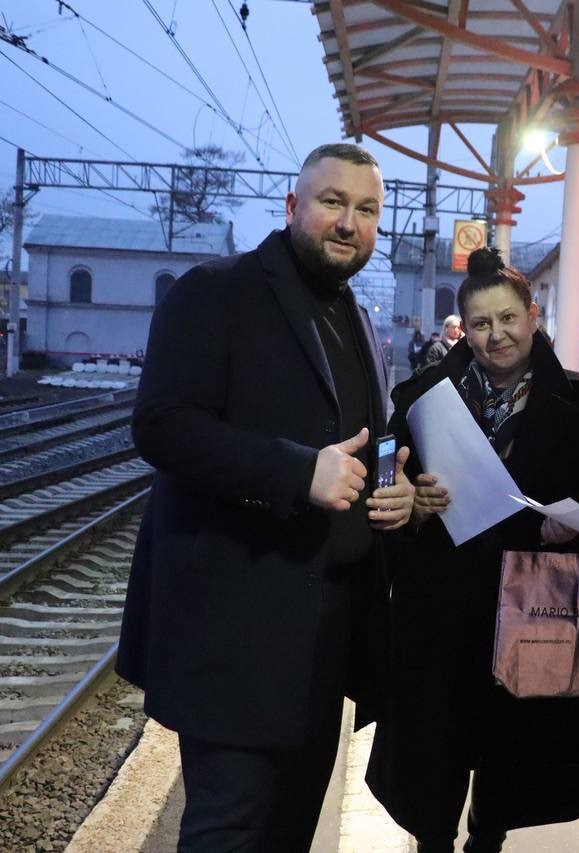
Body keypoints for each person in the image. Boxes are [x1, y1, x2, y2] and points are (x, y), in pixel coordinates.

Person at [117, 143, 416, 851]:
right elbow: (162, 425)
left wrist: (394, 486)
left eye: (367, 209)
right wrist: (295, 471)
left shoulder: (353, 315)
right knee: (231, 828)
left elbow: (360, 437)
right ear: (291, 207)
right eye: (333, 202)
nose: (349, 222)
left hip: (326, 630)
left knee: (289, 825)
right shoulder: (215, 291)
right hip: (236, 625)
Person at [367, 247, 579, 853]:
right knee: (432, 755)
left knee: (511, 752)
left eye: (509, 318)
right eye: (482, 323)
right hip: (439, 604)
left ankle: (487, 838)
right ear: (464, 329)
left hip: (532, 607)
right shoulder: (424, 392)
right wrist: (407, 499)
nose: (497, 335)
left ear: (533, 315)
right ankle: (433, 840)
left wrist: (573, 525)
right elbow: (385, 465)